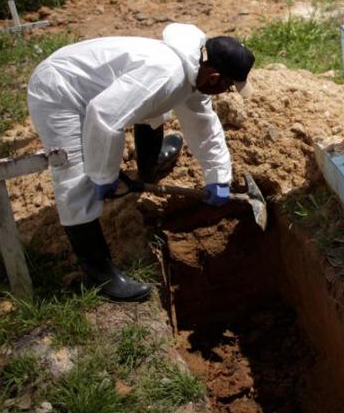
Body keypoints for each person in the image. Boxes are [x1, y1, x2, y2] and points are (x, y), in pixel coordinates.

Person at [27, 23, 254, 302]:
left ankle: (151, 164)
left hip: (99, 87)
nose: (227, 92)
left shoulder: (195, 71)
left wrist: (218, 176)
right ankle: (100, 276)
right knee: (76, 178)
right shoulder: (166, 74)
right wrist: (103, 176)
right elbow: (105, 117)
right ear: (215, 77)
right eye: (229, 86)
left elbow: (202, 124)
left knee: (153, 108)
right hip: (61, 90)